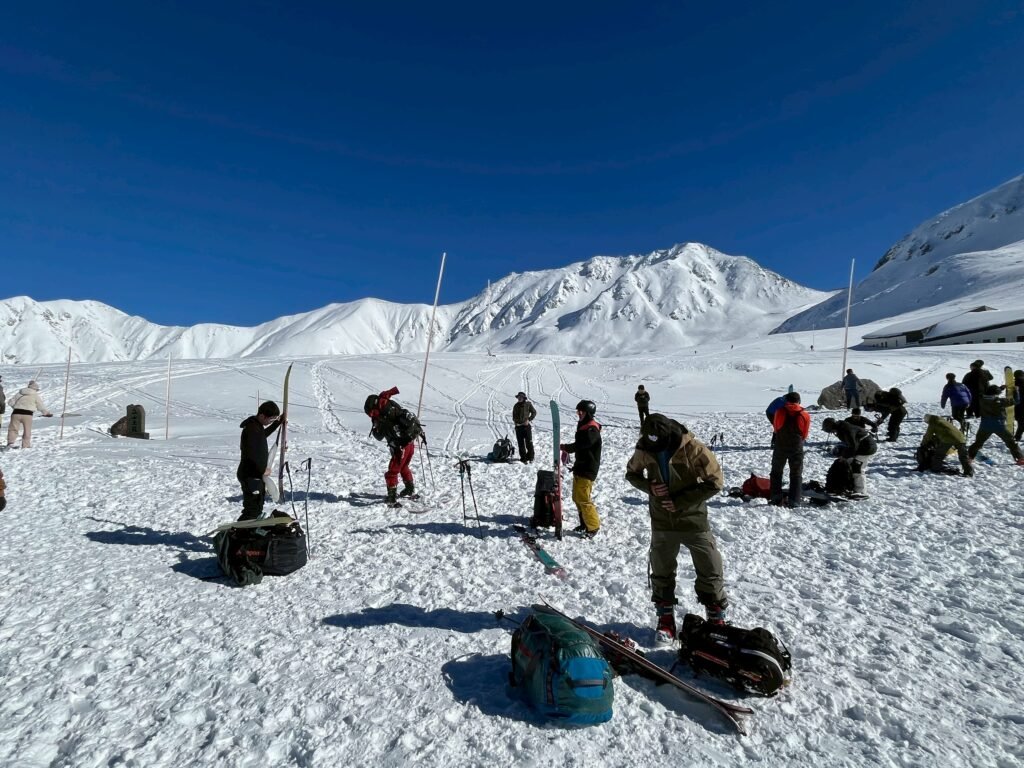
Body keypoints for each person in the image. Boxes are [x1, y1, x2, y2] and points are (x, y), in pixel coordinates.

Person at [624, 413, 728, 644]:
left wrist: (681, 501)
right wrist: (649, 487)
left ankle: (716, 618)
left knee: (710, 565)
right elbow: (631, 473)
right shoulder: (645, 448)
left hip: (693, 520)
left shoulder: (693, 449)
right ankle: (665, 619)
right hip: (662, 521)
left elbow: (716, 482)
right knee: (661, 569)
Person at [364, 387, 424, 507]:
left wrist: (376, 426)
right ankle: (409, 489)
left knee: (393, 470)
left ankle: (391, 498)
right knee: (404, 466)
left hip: (400, 446)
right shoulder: (391, 407)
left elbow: (379, 436)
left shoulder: (383, 417)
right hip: (409, 442)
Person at [560, 399, 602, 537]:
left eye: (581, 412)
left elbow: (582, 444)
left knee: (583, 499)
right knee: (577, 497)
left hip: (587, 470)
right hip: (580, 467)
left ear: (588, 413)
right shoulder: (584, 426)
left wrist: (566, 448)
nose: (578, 414)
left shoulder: (592, 429)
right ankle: (584, 523)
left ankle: (593, 527)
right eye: (578, 411)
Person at [235, 400, 282, 521]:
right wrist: (263, 470)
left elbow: (263, 435)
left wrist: (277, 423)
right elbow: (251, 455)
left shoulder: (256, 427)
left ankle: (247, 532)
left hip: (255, 474)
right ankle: (240, 533)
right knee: (252, 509)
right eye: (270, 419)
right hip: (250, 474)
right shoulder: (251, 429)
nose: (269, 422)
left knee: (257, 507)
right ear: (262, 415)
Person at [769, 392, 810, 507]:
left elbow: (776, 428)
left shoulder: (780, 411)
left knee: (776, 471)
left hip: (781, 445)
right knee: (796, 473)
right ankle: (795, 500)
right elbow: (805, 433)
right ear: (799, 401)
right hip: (796, 446)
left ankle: (775, 497)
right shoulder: (804, 414)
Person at [967, 384, 1024, 465]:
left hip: (985, 425)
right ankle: (1020, 458)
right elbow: (1016, 401)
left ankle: (969, 457)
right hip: (999, 426)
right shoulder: (1000, 401)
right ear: (995, 394)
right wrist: (1016, 391)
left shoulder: (982, 399)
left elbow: (987, 393)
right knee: (1011, 442)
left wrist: (1001, 388)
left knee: (978, 442)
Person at [821, 417, 878, 495]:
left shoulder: (846, 430)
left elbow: (853, 446)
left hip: (867, 448)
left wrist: (844, 456)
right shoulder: (841, 428)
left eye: (830, 430)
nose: (832, 432)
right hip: (861, 447)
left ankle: (860, 491)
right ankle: (849, 486)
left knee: (857, 468)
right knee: (848, 464)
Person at [6, 381, 53, 449]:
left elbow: (10, 402)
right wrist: (46, 413)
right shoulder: (35, 395)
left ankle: (10, 443)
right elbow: (40, 406)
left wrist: (16, 407)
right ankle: (26, 445)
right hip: (27, 415)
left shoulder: (19, 393)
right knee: (27, 430)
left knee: (13, 429)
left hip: (16, 413)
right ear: (35, 389)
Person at [512, 392, 537, 464]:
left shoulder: (528, 404)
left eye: (521, 397)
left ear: (524, 398)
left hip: (526, 427)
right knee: (521, 444)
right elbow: (513, 416)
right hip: (518, 427)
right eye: (518, 397)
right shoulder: (516, 406)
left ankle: (531, 457)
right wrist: (515, 422)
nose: (519, 398)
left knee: (529, 442)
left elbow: (534, 412)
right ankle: (523, 458)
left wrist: (529, 420)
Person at [1014, 370, 1024, 442]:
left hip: (1017, 406)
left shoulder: (1013, 383)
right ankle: (1017, 437)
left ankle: (1017, 437)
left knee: (1021, 422)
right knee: (1021, 424)